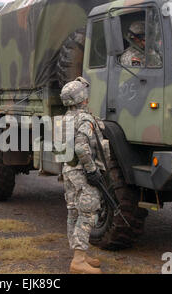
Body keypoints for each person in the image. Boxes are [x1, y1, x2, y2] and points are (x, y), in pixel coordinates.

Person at [60, 77, 110, 274]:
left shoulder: (64, 118)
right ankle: (79, 260)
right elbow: (81, 147)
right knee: (88, 213)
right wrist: (92, 170)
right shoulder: (85, 119)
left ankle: (79, 253)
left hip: (69, 170)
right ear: (82, 98)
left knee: (73, 211)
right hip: (82, 172)